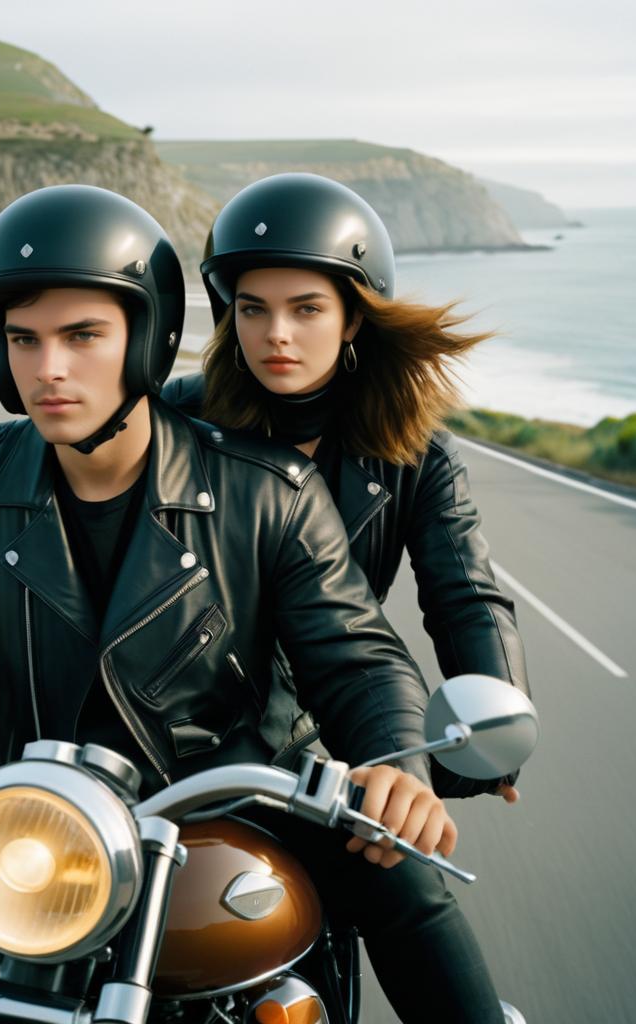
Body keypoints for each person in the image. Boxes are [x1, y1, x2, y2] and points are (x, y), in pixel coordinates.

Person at [0, 185, 502, 1022]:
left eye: (83, 335)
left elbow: (359, 653)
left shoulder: (269, 491)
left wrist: (399, 767)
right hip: (57, 809)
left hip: (234, 794)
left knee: (402, 878)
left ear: (147, 338)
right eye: (23, 339)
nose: (48, 368)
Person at [163, 173, 530, 801]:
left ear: (353, 318)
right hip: (183, 723)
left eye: (306, 308)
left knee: (411, 895)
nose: (276, 332)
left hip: (342, 721)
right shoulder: (177, 420)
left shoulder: (417, 450)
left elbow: (465, 596)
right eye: (253, 308)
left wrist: (496, 733)